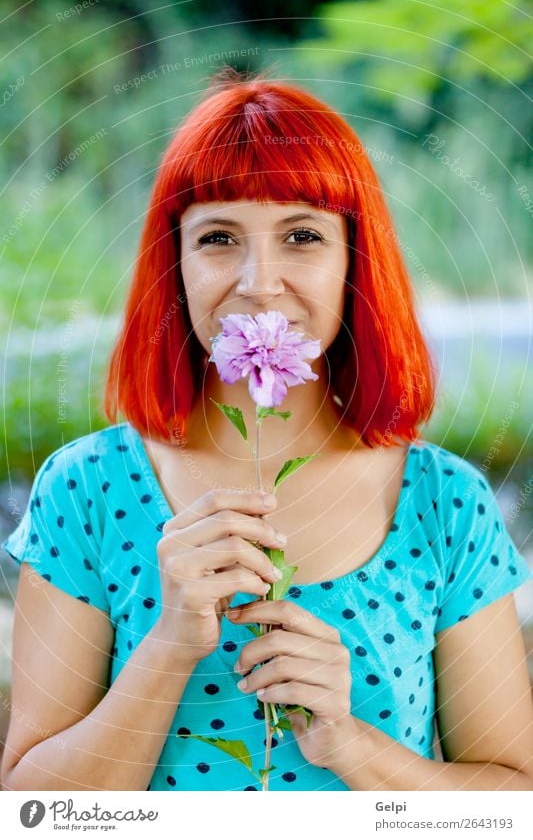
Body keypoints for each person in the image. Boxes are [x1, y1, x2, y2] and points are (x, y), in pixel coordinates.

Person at [1, 67, 532, 793]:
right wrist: (169, 647)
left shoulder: (445, 502)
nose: (258, 281)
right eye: (218, 236)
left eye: (302, 235)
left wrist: (351, 746)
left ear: (354, 264)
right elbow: (29, 807)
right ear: (174, 264)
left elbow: (514, 797)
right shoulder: (87, 489)